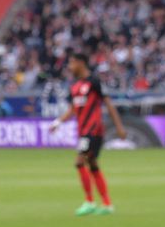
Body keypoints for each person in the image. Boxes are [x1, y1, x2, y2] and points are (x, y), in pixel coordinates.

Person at [50, 52, 127, 216]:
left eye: (71, 63)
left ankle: (90, 201)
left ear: (81, 63)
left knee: (80, 162)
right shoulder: (74, 86)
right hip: (83, 131)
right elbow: (72, 109)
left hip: (94, 130)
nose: (69, 67)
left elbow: (109, 104)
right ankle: (106, 204)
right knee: (92, 164)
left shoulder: (94, 81)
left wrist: (119, 127)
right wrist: (57, 122)